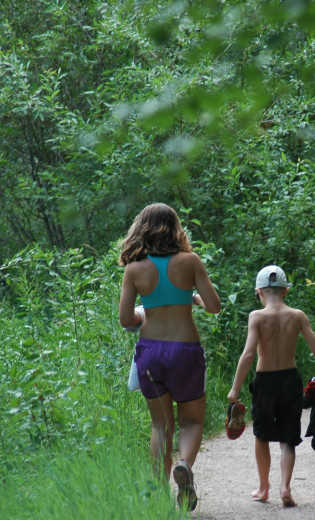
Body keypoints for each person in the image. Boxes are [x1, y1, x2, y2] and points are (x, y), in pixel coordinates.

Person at [119, 202, 221, 511]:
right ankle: (185, 466)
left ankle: (158, 499)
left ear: (141, 229)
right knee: (191, 421)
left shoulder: (134, 269)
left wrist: (142, 315)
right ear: (175, 228)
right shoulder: (190, 261)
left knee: (160, 426)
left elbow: (126, 320)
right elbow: (214, 306)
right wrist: (194, 298)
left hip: (150, 352)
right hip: (185, 351)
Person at [227, 265, 315, 507]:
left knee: (262, 435)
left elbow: (248, 355)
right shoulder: (297, 316)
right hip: (289, 381)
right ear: (285, 291)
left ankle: (263, 488)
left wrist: (235, 389)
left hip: (265, 383)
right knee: (288, 438)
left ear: (259, 292)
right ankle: (285, 488)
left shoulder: (257, 316)